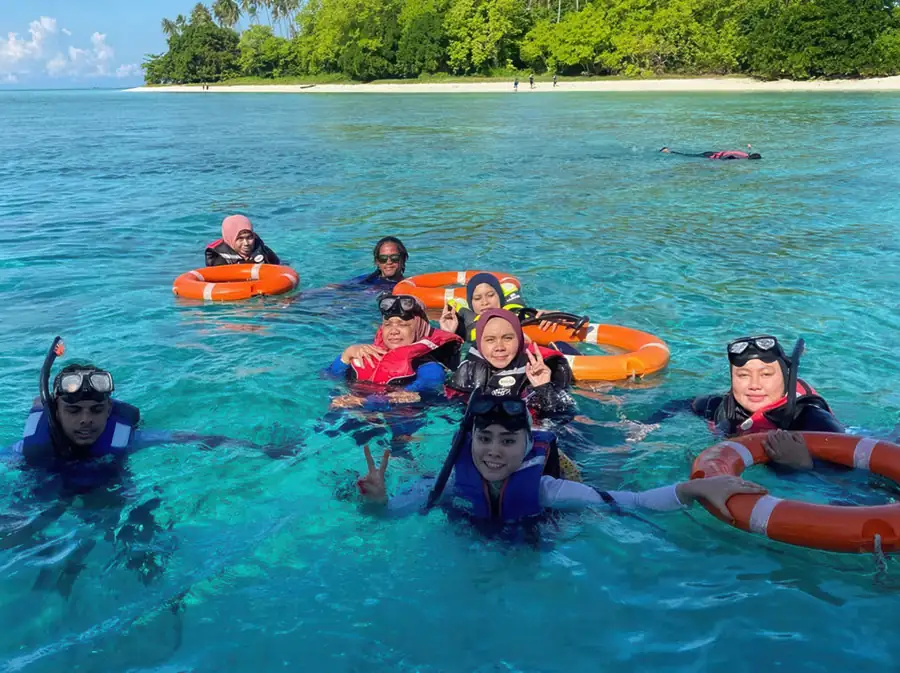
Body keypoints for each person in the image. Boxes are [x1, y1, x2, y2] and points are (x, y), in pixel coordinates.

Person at [357, 390, 766, 526]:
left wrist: (695, 488)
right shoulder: (447, 484)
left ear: (527, 445)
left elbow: (631, 501)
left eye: (507, 441)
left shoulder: (547, 489)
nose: (494, 450)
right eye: (485, 439)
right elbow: (392, 513)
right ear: (471, 441)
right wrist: (376, 501)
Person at [646, 335, 843, 470]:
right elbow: (678, 405)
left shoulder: (813, 421)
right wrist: (641, 428)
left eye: (766, 374)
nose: (754, 385)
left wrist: (805, 466)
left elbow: (851, 480)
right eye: (743, 375)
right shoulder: (723, 408)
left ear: (785, 379)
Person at [327, 294, 462, 409]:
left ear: (420, 329)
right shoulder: (366, 353)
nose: (394, 331)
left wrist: (363, 401)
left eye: (403, 324)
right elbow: (329, 377)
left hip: (400, 418)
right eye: (387, 324)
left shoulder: (429, 368)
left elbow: (417, 392)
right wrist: (345, 357)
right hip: (358, 410)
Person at [446, 309, 575, 420]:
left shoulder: (540, 369)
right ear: (480, 344)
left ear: (519, 339)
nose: (499, 347)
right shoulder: (468, 371)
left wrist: (544, 388)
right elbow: (449, 412)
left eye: (507, 338)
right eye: (490, 340)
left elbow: (561, 417)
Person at [439, 272, 527, 342]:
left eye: (490, 295)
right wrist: (448, 334)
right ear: (471, 304)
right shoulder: (462, 328)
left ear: (499, 297)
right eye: (477, 298)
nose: (485, 302)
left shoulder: (521, 317)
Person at [205, 214, 280, 266]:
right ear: (230, 238)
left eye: (249, 237)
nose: (246, 243)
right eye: (240, 238)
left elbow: (279, 267)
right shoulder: (218, 258)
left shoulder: (263, 251)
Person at [659, 146, 761, 160]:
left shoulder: (745, 155)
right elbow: (730, 153)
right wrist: (721, 159)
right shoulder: (744, 157)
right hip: (711, 155)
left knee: (691, 155)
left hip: (712, 153)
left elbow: (732, 152)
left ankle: (669, 151)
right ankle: (668, 151)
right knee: (689, 156)